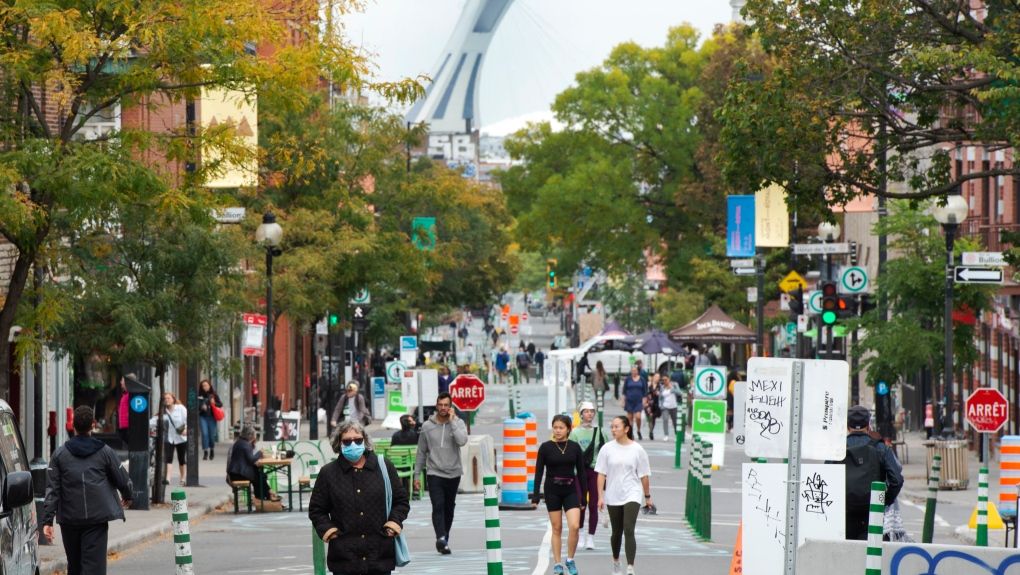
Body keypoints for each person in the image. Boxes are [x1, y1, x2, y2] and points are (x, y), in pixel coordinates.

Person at [309, 420, 410, 575]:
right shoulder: (328, 473)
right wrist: (331, 533)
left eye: (357, 440)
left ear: (365, 440)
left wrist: (392, 527)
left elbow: (401, 501)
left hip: (379, 555)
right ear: (339, 444)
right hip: (344, 558)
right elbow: (317, 510)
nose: (353, 444)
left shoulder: (383, 467)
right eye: (347, 441)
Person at [42, 406, 133, 575]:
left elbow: (52, 489)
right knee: (94, 568)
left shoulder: (59, 455)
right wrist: (128, 495)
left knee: (75, 566)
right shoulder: (105, 452)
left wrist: (47, 520)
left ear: (72, 425)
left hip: (69, 518)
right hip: (96, 518)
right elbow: (122, 477)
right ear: (94, 425)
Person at [596, 415, 653, 575]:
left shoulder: (638, 450)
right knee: (616, 532)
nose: (613, 430)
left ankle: (630, 567)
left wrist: (647, 497)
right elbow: (601, 474)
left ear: (626, 429)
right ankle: (616, 562)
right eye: (612, 427)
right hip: (613, 493)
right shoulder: (606, 449)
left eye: (616, 427)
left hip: (632, 493)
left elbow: (644, 475)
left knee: (629, 528)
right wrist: (600, 496)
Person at [413, 392, 468, 554]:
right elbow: (421, 452)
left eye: (446, 405)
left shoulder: (458, 423)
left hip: (453, 473)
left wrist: (452, 423)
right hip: (434, 472)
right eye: (440, 405)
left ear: (450, 407)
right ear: (436, 406)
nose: (443, 408)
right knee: (437, 505)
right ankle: (440, 537)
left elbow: (462, 441)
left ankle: (444, 539)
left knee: (449, 508)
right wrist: (417, 475)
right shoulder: (427, 426)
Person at [533, 414, 587, 575]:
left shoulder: (575, 447)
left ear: (569, 429)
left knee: (575, 526)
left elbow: (582, 473)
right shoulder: (545, 447)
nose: (557, 431)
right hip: (552, 490)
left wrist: (584, 495)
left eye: (561, 428)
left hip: (570, 489)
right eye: (555, 427)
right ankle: (557, 563)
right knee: (557, 528)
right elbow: (538, 472)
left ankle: (570, 560)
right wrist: (536, 495)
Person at [841, 405, 903, 541]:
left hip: (844, 515)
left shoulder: (838, 448)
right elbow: (897, 480)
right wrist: (883, 500)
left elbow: (825, 478)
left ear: (847, 425)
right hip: (872, 513)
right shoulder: (880, 448)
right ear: (869, 425)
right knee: (871, 558)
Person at [570, 401, 609, 551]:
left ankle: (590, 538)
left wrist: (606, 472)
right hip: (578, 472)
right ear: (581, 414)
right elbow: (571, 452)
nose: (589, 414)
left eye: (592, 411)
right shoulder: (574, 432)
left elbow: (606, 451)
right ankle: (579, 534)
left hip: (595, 472)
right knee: (581, 505)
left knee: (594, 504)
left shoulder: (600, 431)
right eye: (586, 411)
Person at [228, 425, 280, 502]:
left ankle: (266, 495)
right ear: (252, 437)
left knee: (259, 475)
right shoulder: (247, 444)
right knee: (258, 478)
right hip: (239, 474)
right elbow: (251, 459)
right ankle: (264, 497)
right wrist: (261, 452)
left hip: (234, 473)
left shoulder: (238, 442)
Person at [150, 392, 188, 486]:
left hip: (181, 438)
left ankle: (182, 478)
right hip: (169, 438)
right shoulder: (163, 412)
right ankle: (167, 479)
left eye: (168, 398)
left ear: (173, 399)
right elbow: (152, 421)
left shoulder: (180, 409)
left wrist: (186, 429)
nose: (167, 400)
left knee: (181, 458)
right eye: (165, 399)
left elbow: (188, 420)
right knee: (168, 458)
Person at [198, 379, 223, 460]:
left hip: (212, 417)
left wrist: (214, 403)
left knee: (211, 436)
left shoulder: (214, 395)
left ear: (209, 386)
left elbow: (220, 404)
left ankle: (212, 449)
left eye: (206, 386)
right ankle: (205, 452)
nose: (204, 387)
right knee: (204, 434)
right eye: (203, 386)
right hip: (203, 416)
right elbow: (194, 406)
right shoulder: (199, 395)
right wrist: (201, 407)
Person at [622, 367, 647, 440]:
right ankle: (631, 432)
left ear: (637, 371)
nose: (634, 372)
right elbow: (624, 391)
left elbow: (645, 392)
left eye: (635, 371)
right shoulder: (628, 379)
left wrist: (644, 402)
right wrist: (623, 401)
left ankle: (638, 430)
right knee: (630, 418)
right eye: (632, 371)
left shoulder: (642, 379)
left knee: (638, 417)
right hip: (629, 401)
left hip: (638, 401)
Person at [659, 377, 682, 441]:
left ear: (669, 379)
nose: (664, 381)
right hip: (665, 406)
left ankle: (676, 434)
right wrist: (660, 405)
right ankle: (666, 435)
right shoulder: (662, 387)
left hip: (674, 406)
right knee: (665, 419)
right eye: (663, 380)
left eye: (665, 380)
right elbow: (660, 397)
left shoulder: (675, 385)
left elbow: (679, 393)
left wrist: (672, 389)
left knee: (675, 421)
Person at [643, 374, 662, 441]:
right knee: (650, 417)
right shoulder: (648, 384)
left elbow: (661, 394)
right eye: (656, 376)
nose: (657, 378)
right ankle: (651, 432)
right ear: (653, 377)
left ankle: (651, 430)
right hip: (649, 403)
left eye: (658, 377)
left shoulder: (660, 386)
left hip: (656, 404)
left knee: (654, 418)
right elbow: (645, 393)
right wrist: (644, 402)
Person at [117, 377, 130, 446]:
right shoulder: (124, 393)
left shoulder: (129, 394)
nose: (120, 382)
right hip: (123, 421)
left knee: (125, 437)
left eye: (122, 380)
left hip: (127, 421)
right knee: (123, 437)